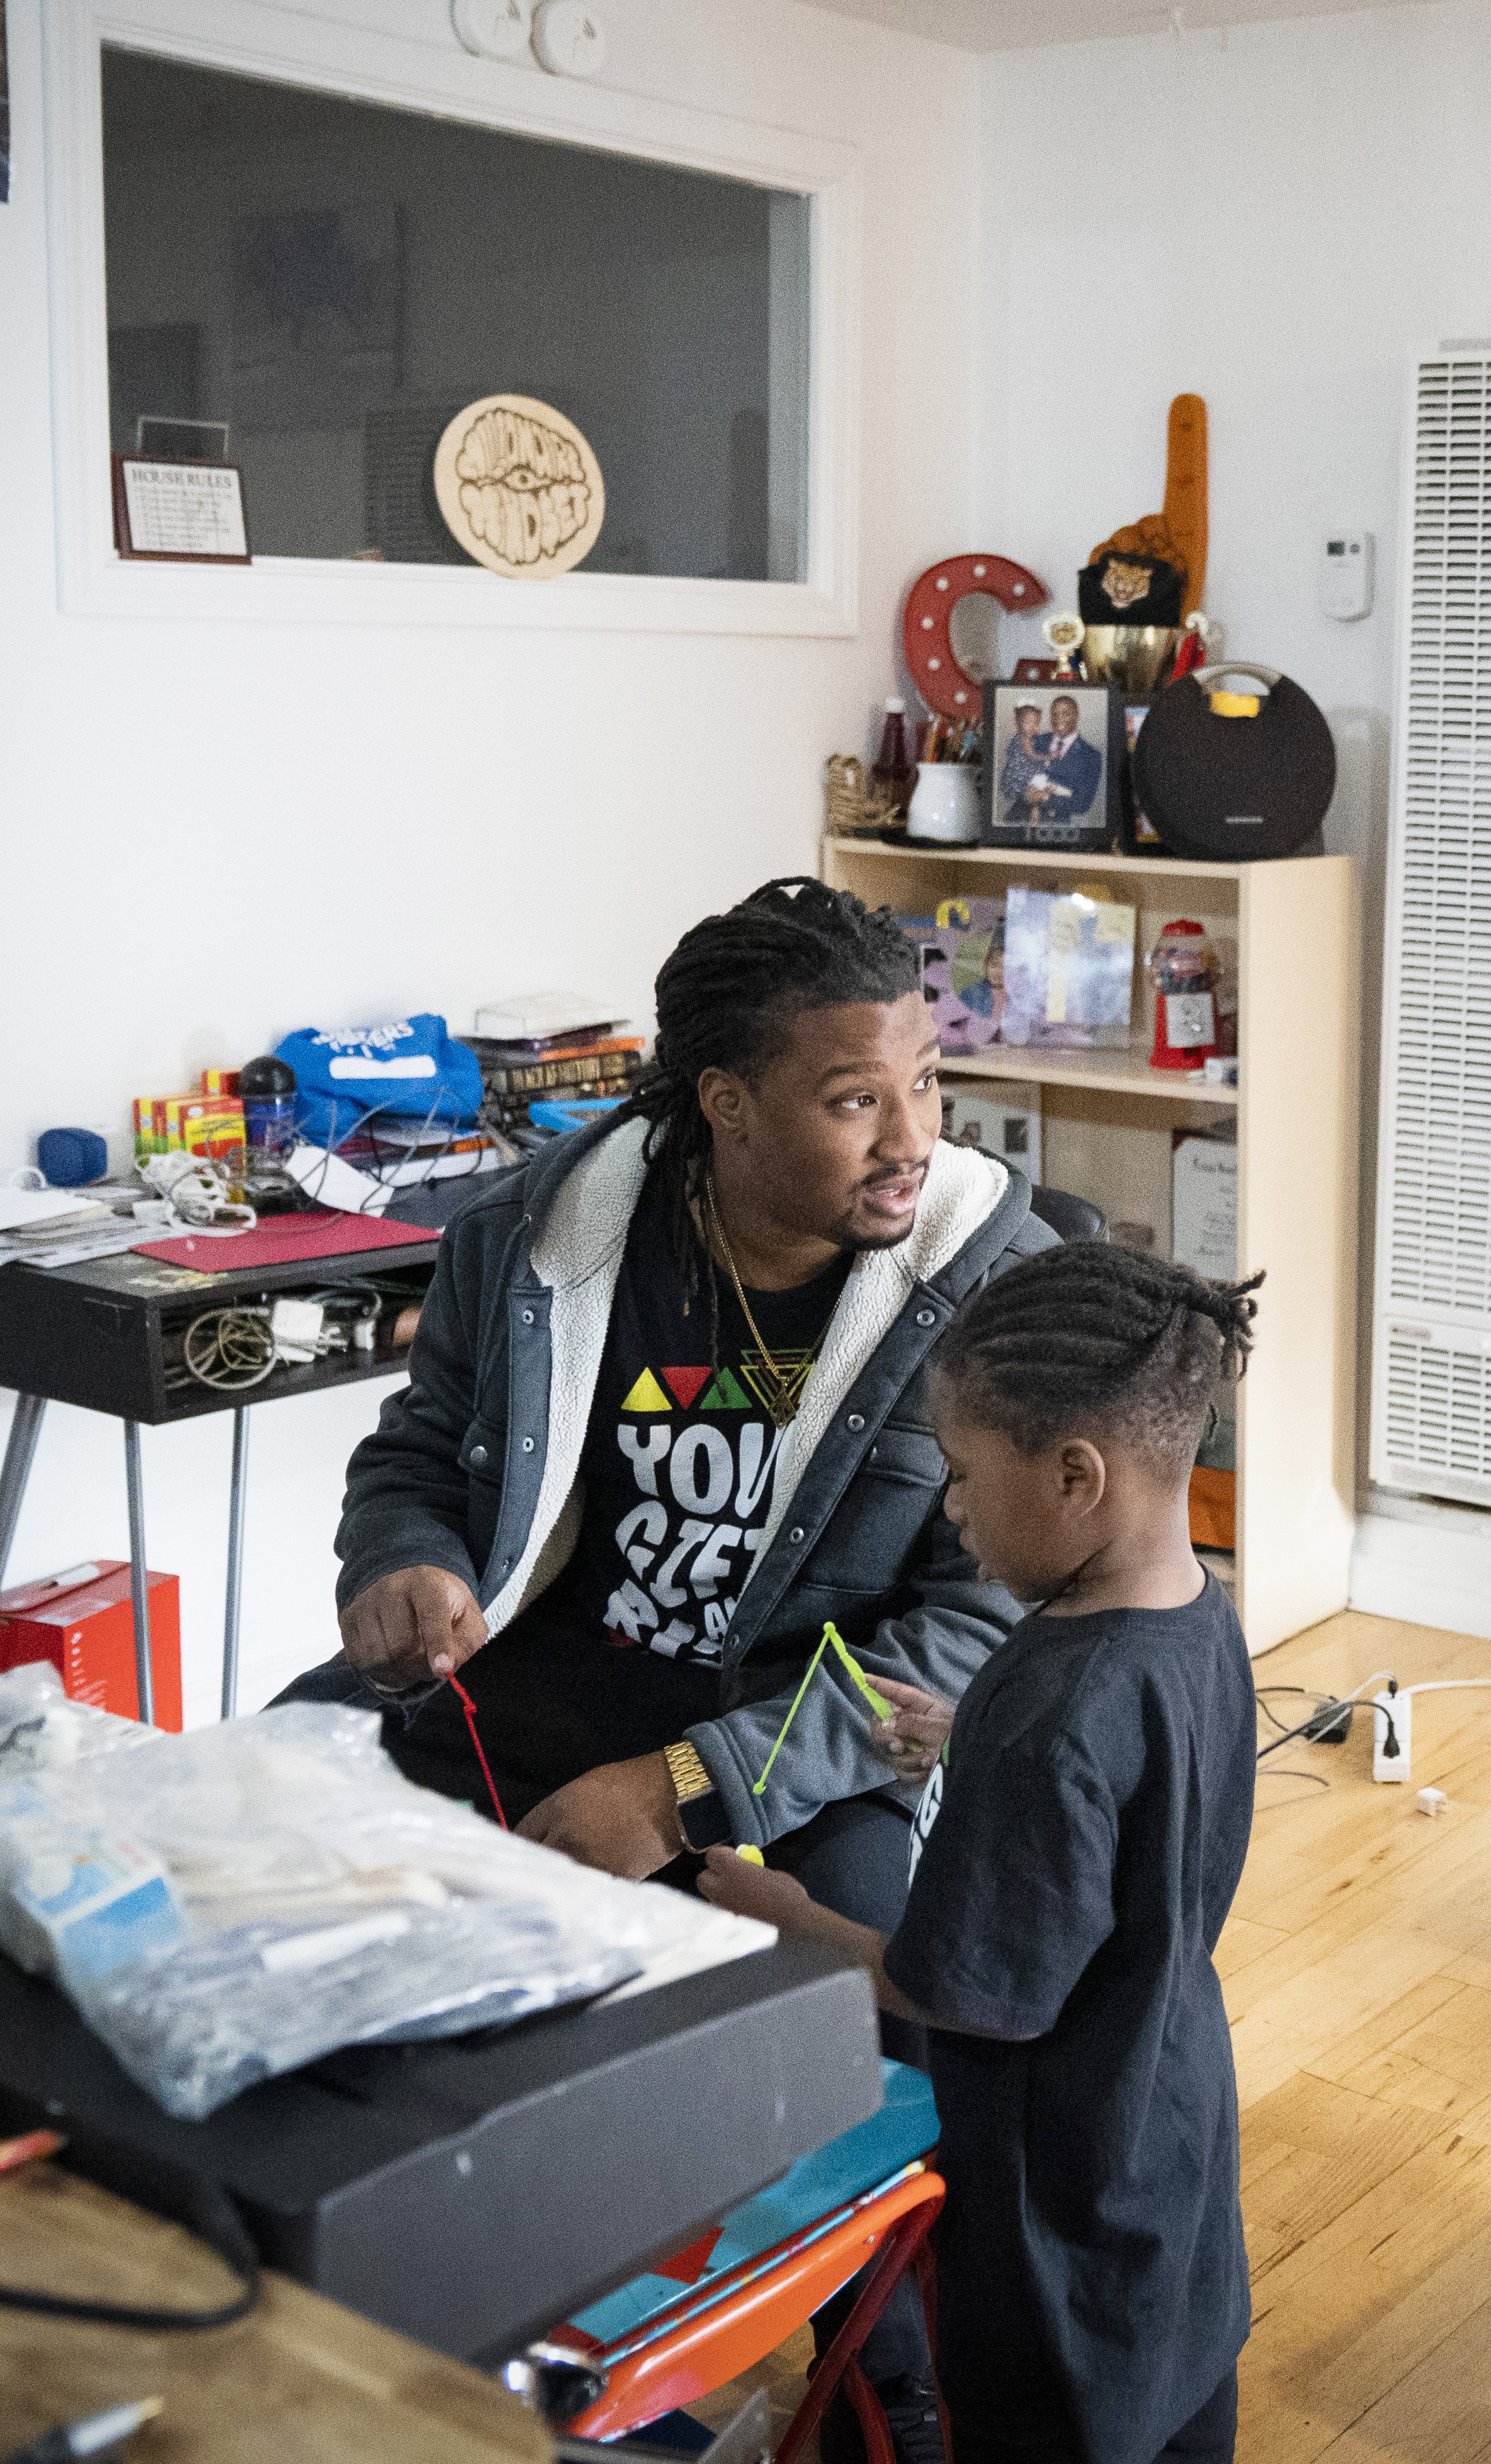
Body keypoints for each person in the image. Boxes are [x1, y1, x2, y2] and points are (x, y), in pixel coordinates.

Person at [284, 875, 1057, 2458]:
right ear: (724, 1102)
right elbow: (419, 1449)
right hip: (558, 1659)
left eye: (924, 1083)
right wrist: (403, 1562)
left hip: (809, 1710)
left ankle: (882, 2386)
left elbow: (969, 1630)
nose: (912, 1136)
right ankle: (398, 2294)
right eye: (855, 1100)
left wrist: (686, 1787)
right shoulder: (538, 1230)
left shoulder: (991, 1282)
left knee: (867, 1972)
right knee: (284, 1799)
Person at [699, 1242, 1263, 2464]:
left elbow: (960, 1991)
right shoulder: (1198, 1614)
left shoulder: (1053, 1711)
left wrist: (786, 1908)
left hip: (1050, 2197)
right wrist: (970, 1739)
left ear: (1074, 1474)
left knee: (1049, 2420)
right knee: (1171, 2398)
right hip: (1169, 2129)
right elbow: (1140, 1792)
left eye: (960, 1474)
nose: (950, 1509)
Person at [1005, 692, 1104, 831]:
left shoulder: (1090, 756)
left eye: (1065, 713)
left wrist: (1046, 797)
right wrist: (1027, 791)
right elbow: (1013, 773)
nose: (1059, 719)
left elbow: (1083, 804)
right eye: (1055, 714)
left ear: (1076, 716)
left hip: (1056, 830)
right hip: (1017, 822)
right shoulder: (1035, 741)